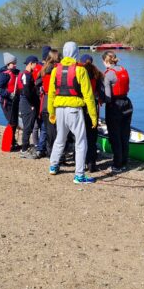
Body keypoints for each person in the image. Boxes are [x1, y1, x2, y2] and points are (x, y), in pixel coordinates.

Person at [47, 41, 97, 184]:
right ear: (76, 53)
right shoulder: (80, 70)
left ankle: (53, 165)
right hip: (74, 110)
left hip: (59, 110)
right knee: (81, 142)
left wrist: (52, 112)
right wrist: (93, 116)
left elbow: (51, 94)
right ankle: (79, 175)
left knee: (60, 138)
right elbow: (88, 95)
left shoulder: (56, 70)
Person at [102, 50, 133, 173]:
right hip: (127, 103)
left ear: (105, 61)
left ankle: (117, 165)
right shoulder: (124, 70)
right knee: (124, 134)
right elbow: (127, 87)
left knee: (115, 136)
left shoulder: (108, 75)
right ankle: (125, 162)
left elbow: (108, 97)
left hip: (114, 106)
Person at [80, 54, 104, 172]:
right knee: (92, 136)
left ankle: (81, 162)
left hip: (82, 107)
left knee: (80, 136)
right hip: (93, 107)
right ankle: (92, 164)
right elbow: (101, 93)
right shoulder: (97, 74)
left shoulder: (79, 72)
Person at [36, 48, 61, 156]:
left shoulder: (43, 69)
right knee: (57, 131)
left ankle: (49, 152)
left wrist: (41, 90)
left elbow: (37, 83)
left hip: (45, 101)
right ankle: (57, 155)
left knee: (47, 129)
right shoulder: (57, 70)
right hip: (56, 101)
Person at [0, 52, 20, 149]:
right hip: (6, 102)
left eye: (15, 62)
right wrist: (9, 94)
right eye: (13, 63)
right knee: (12, 122)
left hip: (15, 101)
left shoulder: (16, 72)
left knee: (15, 122)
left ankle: (12, 142)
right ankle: (8, 143)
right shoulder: (4, 75)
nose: (15, 64)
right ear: (8, 64)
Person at [17, 55, 40, 158]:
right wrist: (31, 104)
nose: (36, 66)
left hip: (26, 102)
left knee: (29, 126)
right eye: (36, 64)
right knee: (27, 127)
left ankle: (25, 147)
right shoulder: (27, 75)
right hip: (27, 104)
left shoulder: (27, 74)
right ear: (31, 63)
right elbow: (26, 91)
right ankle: (24, 150)